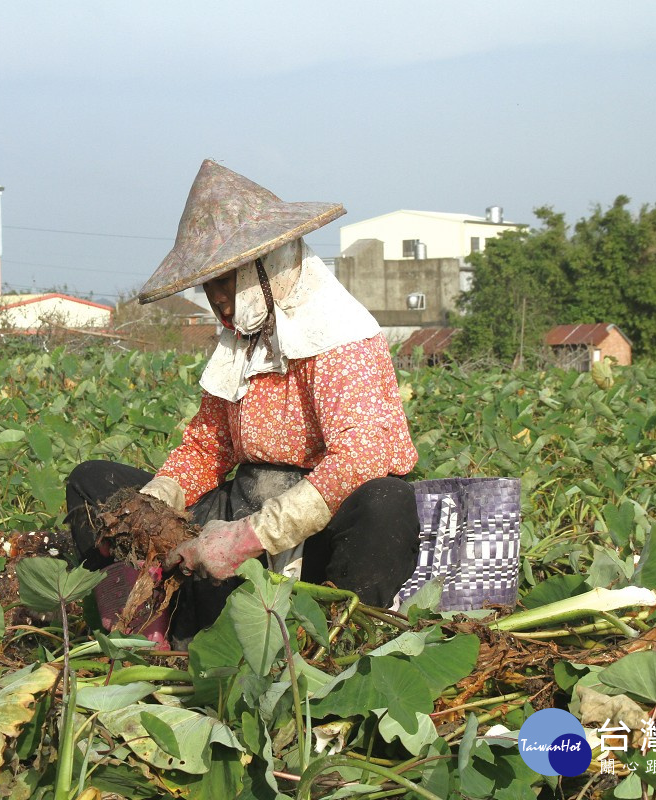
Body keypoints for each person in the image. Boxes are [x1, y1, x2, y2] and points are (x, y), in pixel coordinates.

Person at [67, 159, 420, 640]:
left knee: (387, 501)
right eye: (209, 287)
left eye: (226, 282)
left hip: (314, 531)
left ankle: (337, 641)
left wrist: (251, 537)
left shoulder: (342, 336)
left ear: (268, 265)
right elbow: (207, 449)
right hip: (243, 503)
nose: (220, 302)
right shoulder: (243, 342)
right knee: (93, 484)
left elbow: (364, 456)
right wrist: (151, 509)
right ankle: (148, 613)